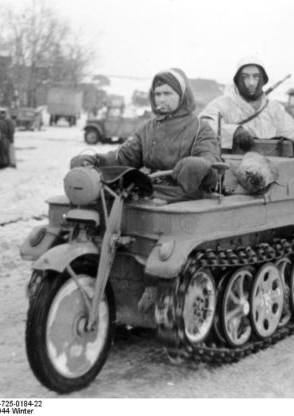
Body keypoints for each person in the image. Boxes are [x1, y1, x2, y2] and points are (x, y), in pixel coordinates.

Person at [71, 68, 221, 313]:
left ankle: (158, 284)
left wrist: (198, 164)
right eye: (157, 93)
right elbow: (124, 156)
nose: (161, 99)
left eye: (167, 93)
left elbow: (210, 161)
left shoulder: (199, 129)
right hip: (150, 190)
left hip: (182, 196)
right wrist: (96, 161)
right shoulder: (148, 128)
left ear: (182, 95)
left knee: (157, 233)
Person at [199, 55, 294, 164]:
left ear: (262, 80)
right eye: (245, 77)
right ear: (237, 80)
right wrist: (234, 131)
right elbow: (203, 126)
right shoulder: (223, 104)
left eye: (256, 77)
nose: (251, 83)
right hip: (231, 170)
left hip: (269, 170)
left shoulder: (273, 109)